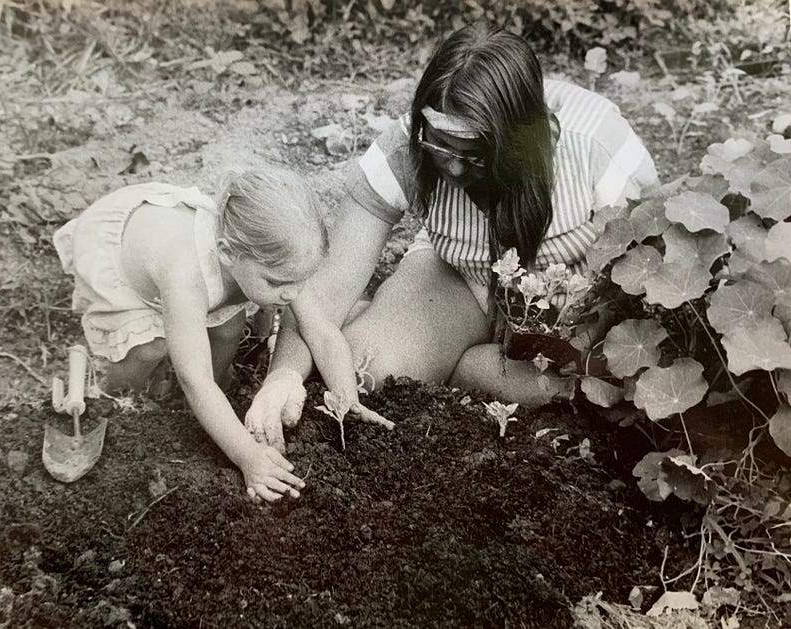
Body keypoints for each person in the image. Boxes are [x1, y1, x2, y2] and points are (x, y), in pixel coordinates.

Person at [246, 22, 658, 452]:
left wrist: (586, 335)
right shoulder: (406, 147)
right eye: (441, 146)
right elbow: (328, 284)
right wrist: (285, 375)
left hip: (571, 302)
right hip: (461, 276)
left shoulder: (594, 143)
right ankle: (414, 340)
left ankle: (456, 361)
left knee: (562, 389)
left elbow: (644, 267)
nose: (456, 169)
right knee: (369, 372)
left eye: (475, 153)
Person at [53, 167, 385, 503]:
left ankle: (222, 389)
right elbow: (194, 378)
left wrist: (347, 398)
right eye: (277, 284)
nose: (292, 295)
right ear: (227, 254)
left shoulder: (280, 267)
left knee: (228, 329)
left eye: (300, 281)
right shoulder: (186, 275)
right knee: (149, 349)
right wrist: (248, 457)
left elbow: (322, 332)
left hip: (199, 271)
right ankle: (119, 401)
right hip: (129, 266)